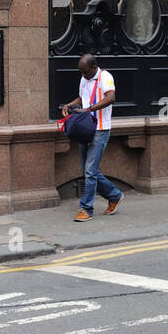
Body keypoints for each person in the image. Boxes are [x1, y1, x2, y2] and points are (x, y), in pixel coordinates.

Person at [59, 53, 122, 222]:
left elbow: (111, 97)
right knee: (88, 171)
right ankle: (114, 195)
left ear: (94, 68)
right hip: (86, 129)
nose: (83, 75)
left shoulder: (105, 77)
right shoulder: (84, 78)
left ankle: (86, 209)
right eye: (81, 72)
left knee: (90, 171)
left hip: (100, 129)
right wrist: (70, 105)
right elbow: (82, 98)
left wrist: (89, 110)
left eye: (85, 72)